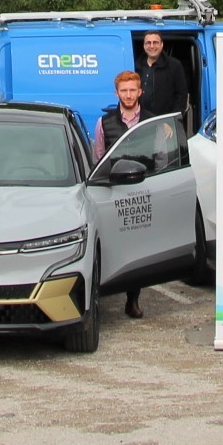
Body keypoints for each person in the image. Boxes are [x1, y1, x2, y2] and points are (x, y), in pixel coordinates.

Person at [92, 71, 150, 318]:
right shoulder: (103, 123)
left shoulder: (151, 122)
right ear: (116, 93)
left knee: (138, 247)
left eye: (132, 90)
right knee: (109, 244)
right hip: (113, 191)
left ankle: (133, 300)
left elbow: (159, 157)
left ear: (140, 92)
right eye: (123, 91)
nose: (128, 95)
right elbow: (98, 157)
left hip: (142, 190)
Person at [136, 31, 190, 124]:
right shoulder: (136, 66)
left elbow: (181, 96)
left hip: (165, 122)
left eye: (155, 42)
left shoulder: (174, 65)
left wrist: (172, 121)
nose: (151, 46)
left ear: (161, 45)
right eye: (148, 43)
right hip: (140, 123)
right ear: (144, 46)